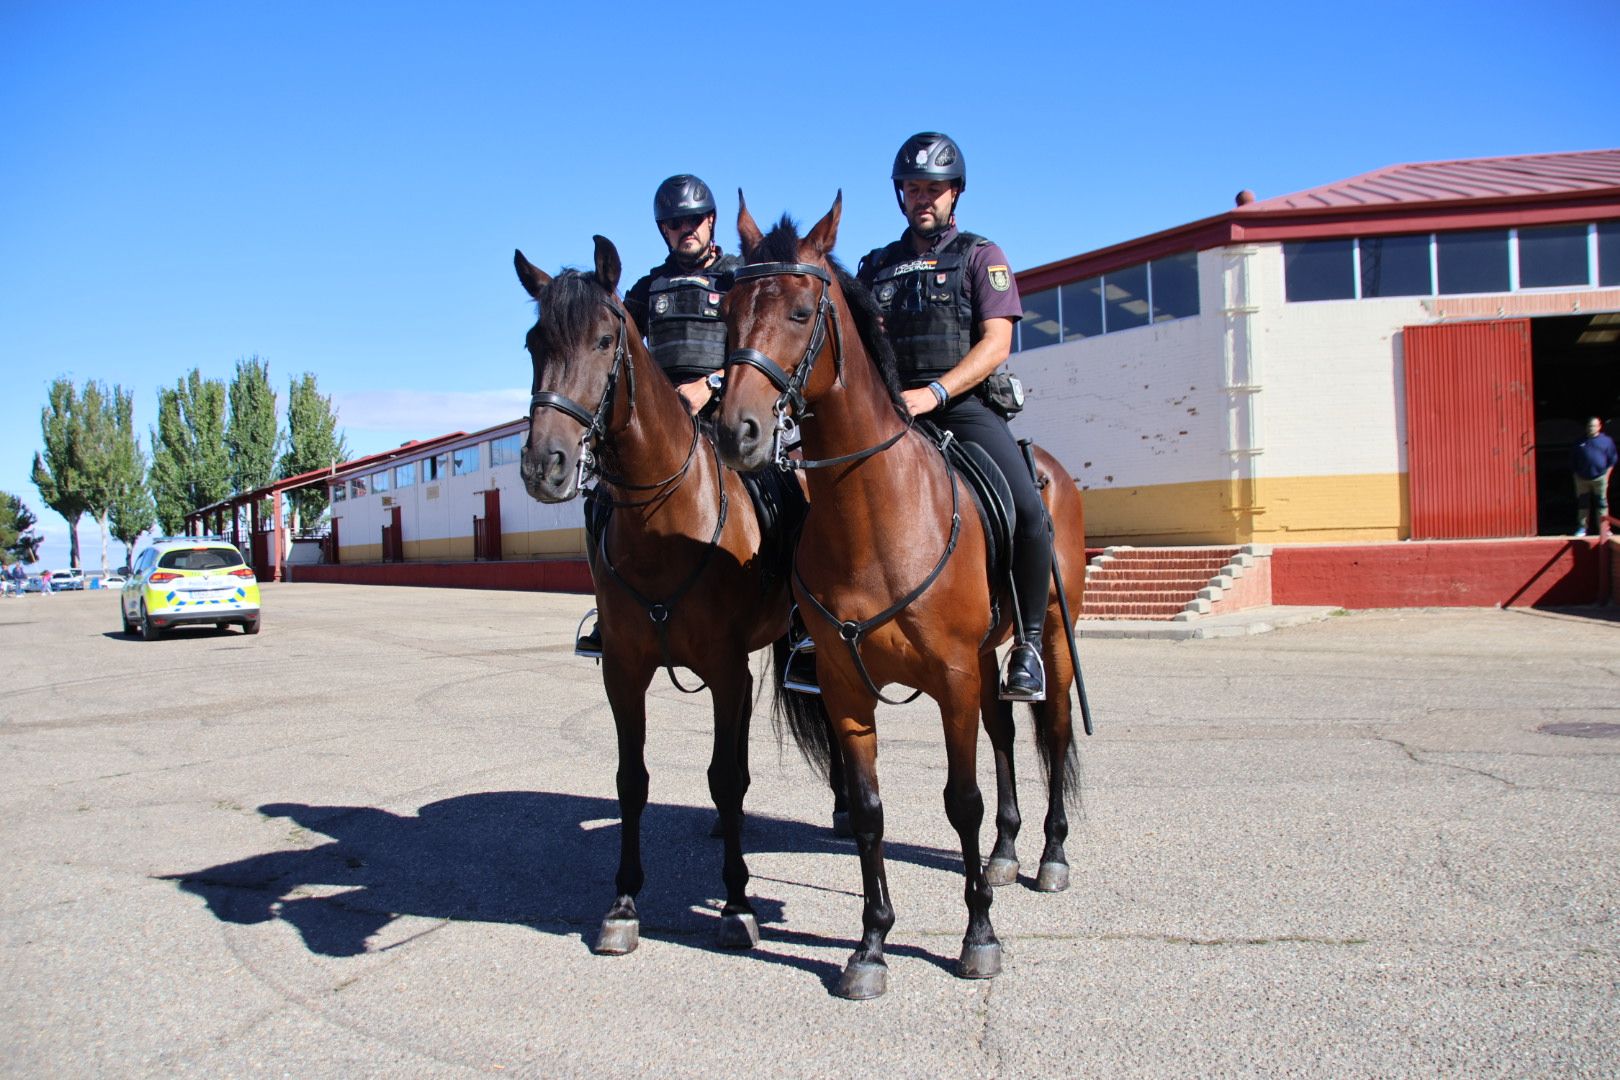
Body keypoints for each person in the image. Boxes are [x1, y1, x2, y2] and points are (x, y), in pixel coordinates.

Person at [857, 131, 1051, 702]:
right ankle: (810, 635)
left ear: (954, 193)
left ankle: (1029, 646)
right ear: (900, 195)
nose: (924, 198)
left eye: (934, 189)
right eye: (914, 188)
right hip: (894, 415)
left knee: (1029, 510)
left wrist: (936, 393)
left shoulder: (980, 256)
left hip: (961, 407)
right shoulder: (876, 267)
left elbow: (996, 344)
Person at [575, 174, 742, 658]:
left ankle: (794, 613)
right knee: (598, 500)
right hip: (663, 427)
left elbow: (761, 346)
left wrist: (711, 384)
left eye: (693, 219)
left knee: (783, 490)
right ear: (663, 229)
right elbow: (613, 347)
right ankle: (608, 612)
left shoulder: (738, 278)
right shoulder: (650, 287)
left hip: (725, 412)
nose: (684, 229)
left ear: (710, 221)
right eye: (674, 222)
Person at [1572, 416, 1617, 537]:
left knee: (1602, 503)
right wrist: (1577, 476)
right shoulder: (1579, 442)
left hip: (1600, 477)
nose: (1591, 428)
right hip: (1582, 478)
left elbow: (1612, 460)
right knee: (1583, 503)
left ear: (1599, 426)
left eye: (1593, 426)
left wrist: (1607, 475)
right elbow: (1573, 461)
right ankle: (1582, 528)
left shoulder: (1607, 441)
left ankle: (1604, 529)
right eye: (1589, 426)